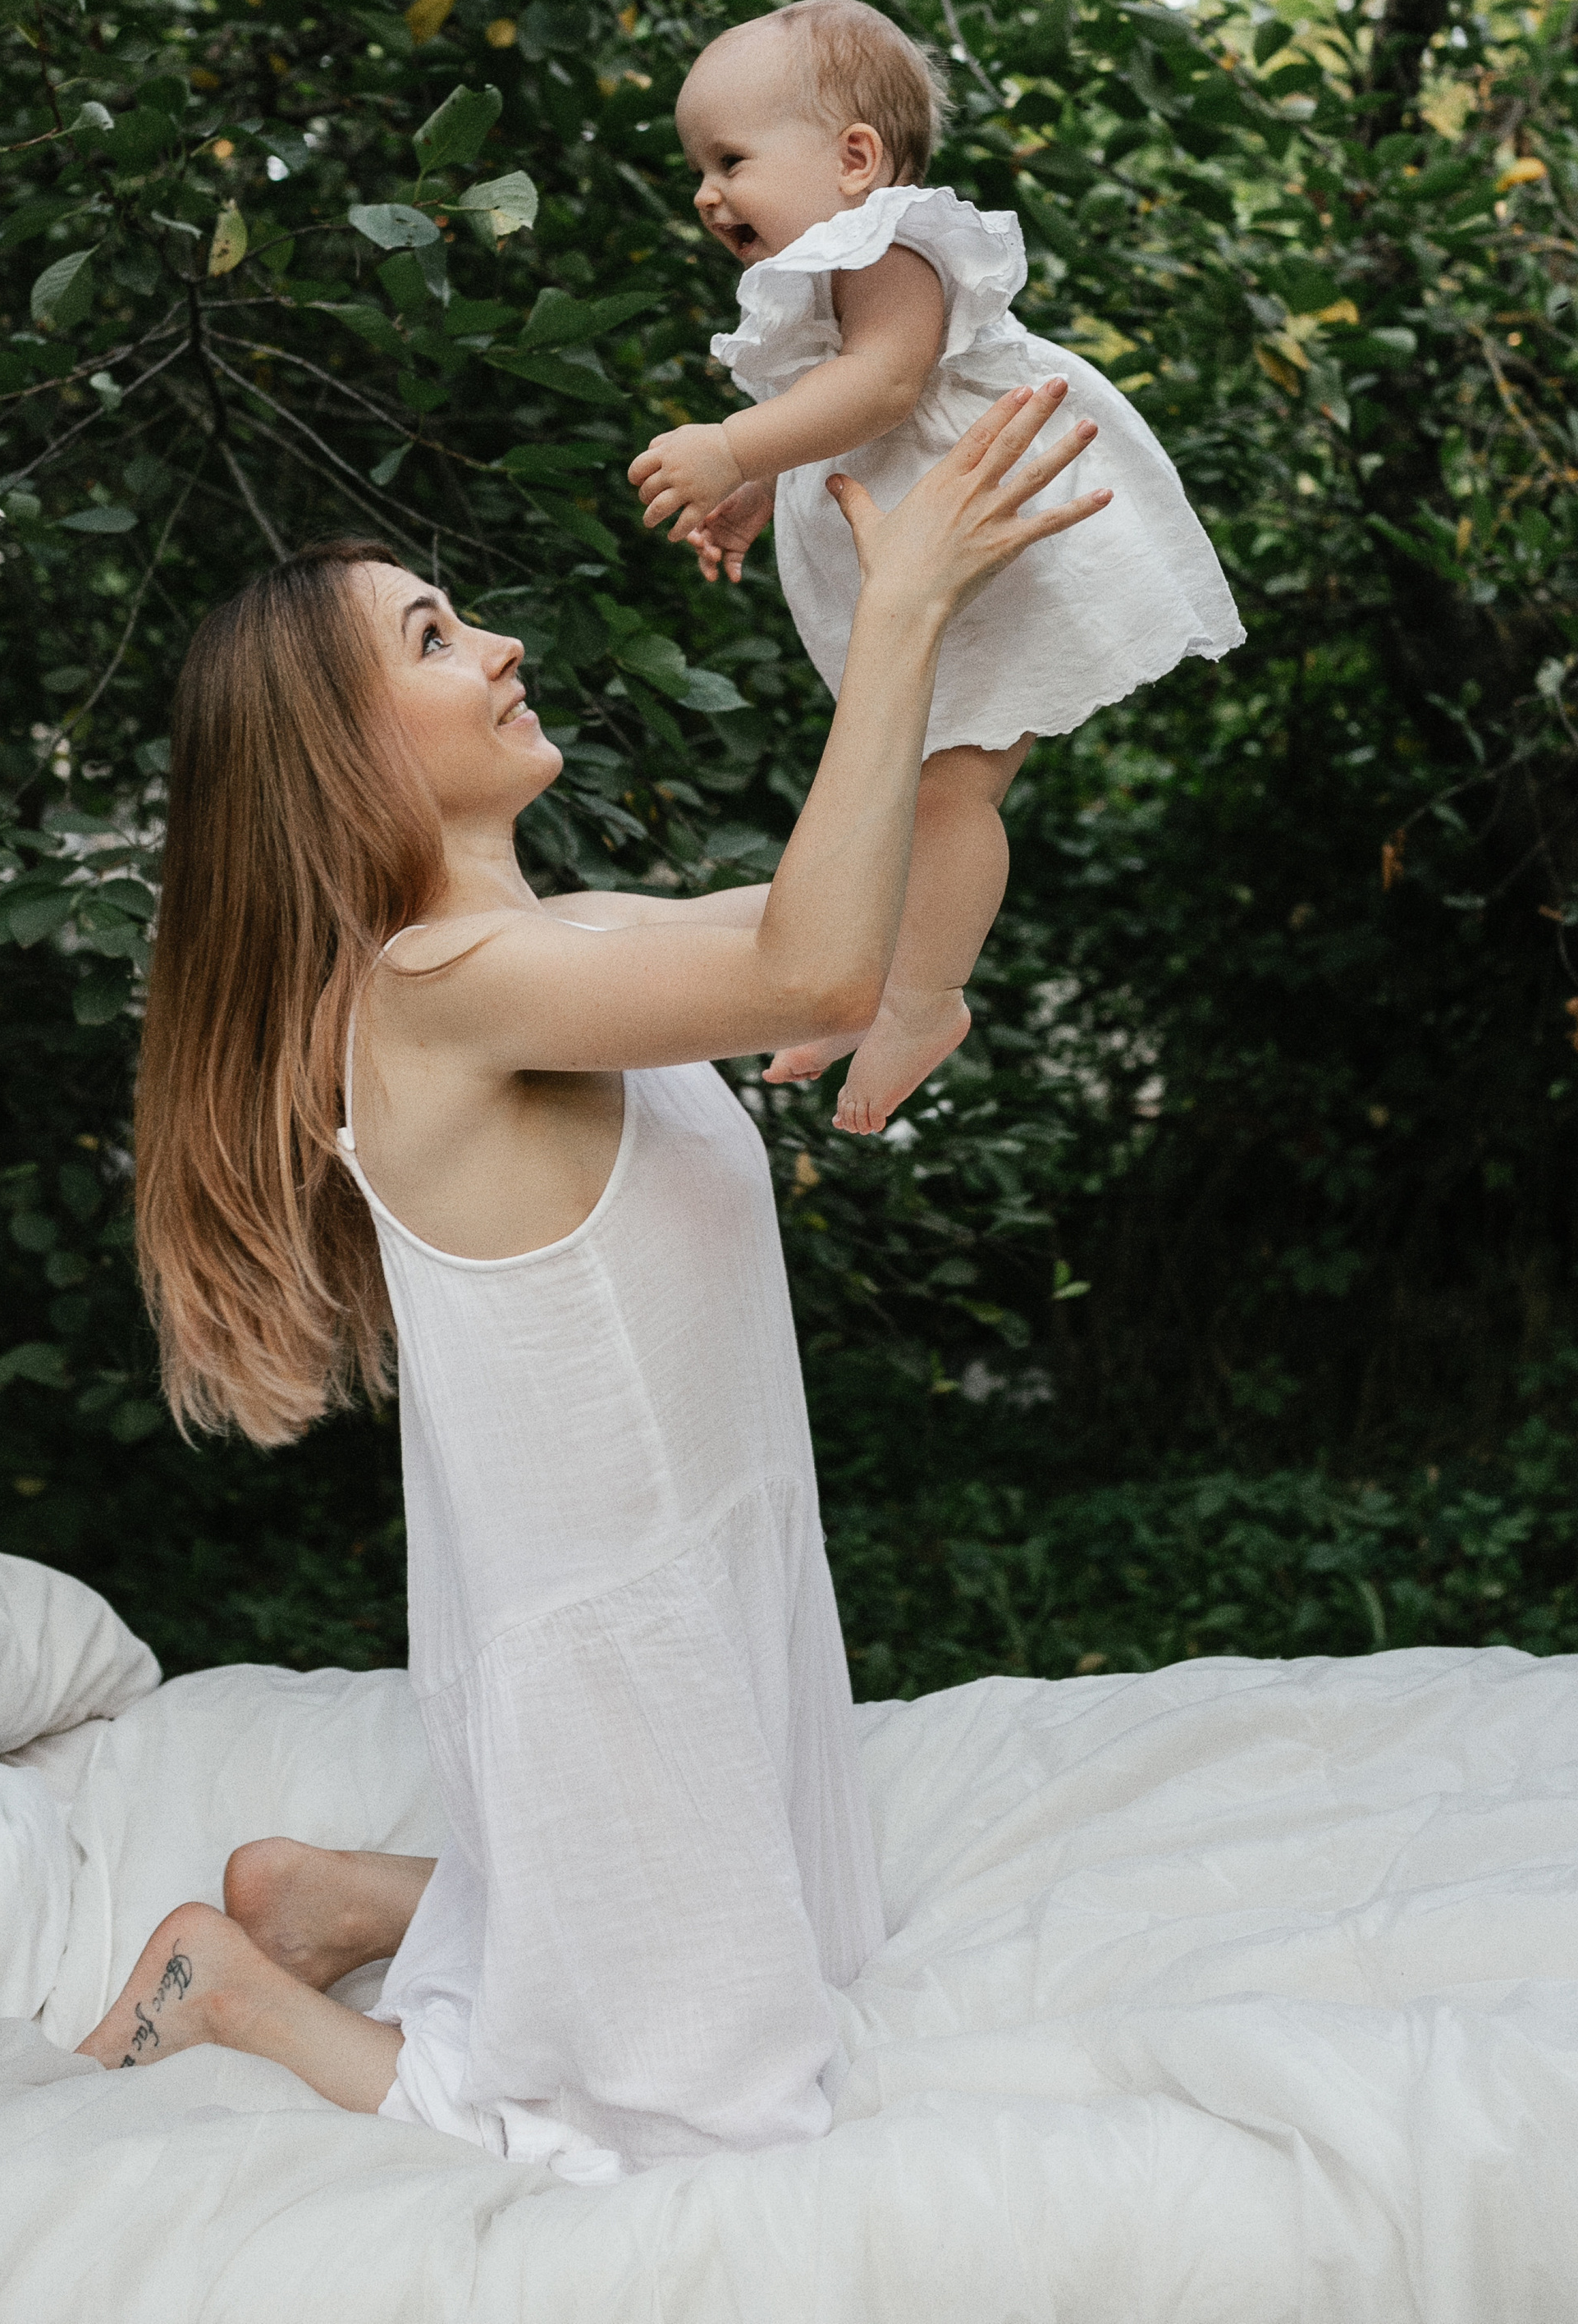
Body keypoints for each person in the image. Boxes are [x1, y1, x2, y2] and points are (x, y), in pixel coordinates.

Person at [76, 381, 1108, 2173]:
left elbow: (860, 955)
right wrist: (897, 621)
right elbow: (803, 972)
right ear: (339, 748)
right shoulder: (430, 993)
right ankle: (232, 1977)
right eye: (432, 634)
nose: (499, 642)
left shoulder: (560, 944)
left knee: (802, 1956)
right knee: (657, 2118)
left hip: (711, 1594)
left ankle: (345, 1892)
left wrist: (974, 690)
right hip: (608, 1649)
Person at [627, 0, 1243, 1136]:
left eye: (730, 158)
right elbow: (843, 405)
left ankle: (923, 997)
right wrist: (766, 481)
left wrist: (729, 446)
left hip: (986, 532)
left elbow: (885, 389)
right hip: (948, 544)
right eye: (697, 168)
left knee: (951, 786)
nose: (707, 193)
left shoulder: (890, 243)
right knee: (918, 792)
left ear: (854, 158)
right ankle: (881, 986)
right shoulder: (840, 267)